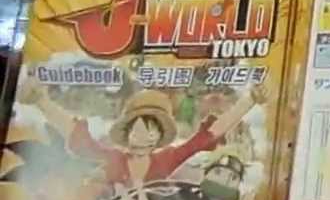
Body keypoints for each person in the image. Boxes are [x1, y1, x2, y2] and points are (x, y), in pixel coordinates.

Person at [16, 79, 266, 190]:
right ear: (127, 132)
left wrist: (250, 100)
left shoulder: (166, 159)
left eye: (152, 130)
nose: (145, 135)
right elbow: (80, 139)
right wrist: (40, 101)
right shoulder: (114, 159)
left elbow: (208, 136)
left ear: (160, 135)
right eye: (139, 129)